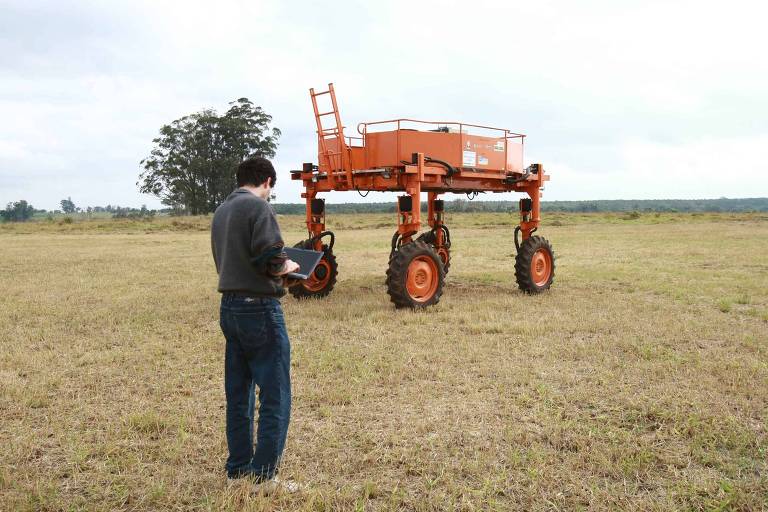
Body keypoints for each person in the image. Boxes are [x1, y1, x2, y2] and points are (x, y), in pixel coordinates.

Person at [211, 157, 301, 493]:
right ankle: (264, 477)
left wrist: (275, 276)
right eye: (270, 188)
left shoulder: (222, 211)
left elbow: (240, 261)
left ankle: (237, 471)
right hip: (259, 310)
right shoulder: (259, 207)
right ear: (267, 181)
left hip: (230, 307)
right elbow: (271, 258)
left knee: (239, 394)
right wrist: (289, 267)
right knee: (276, 394)